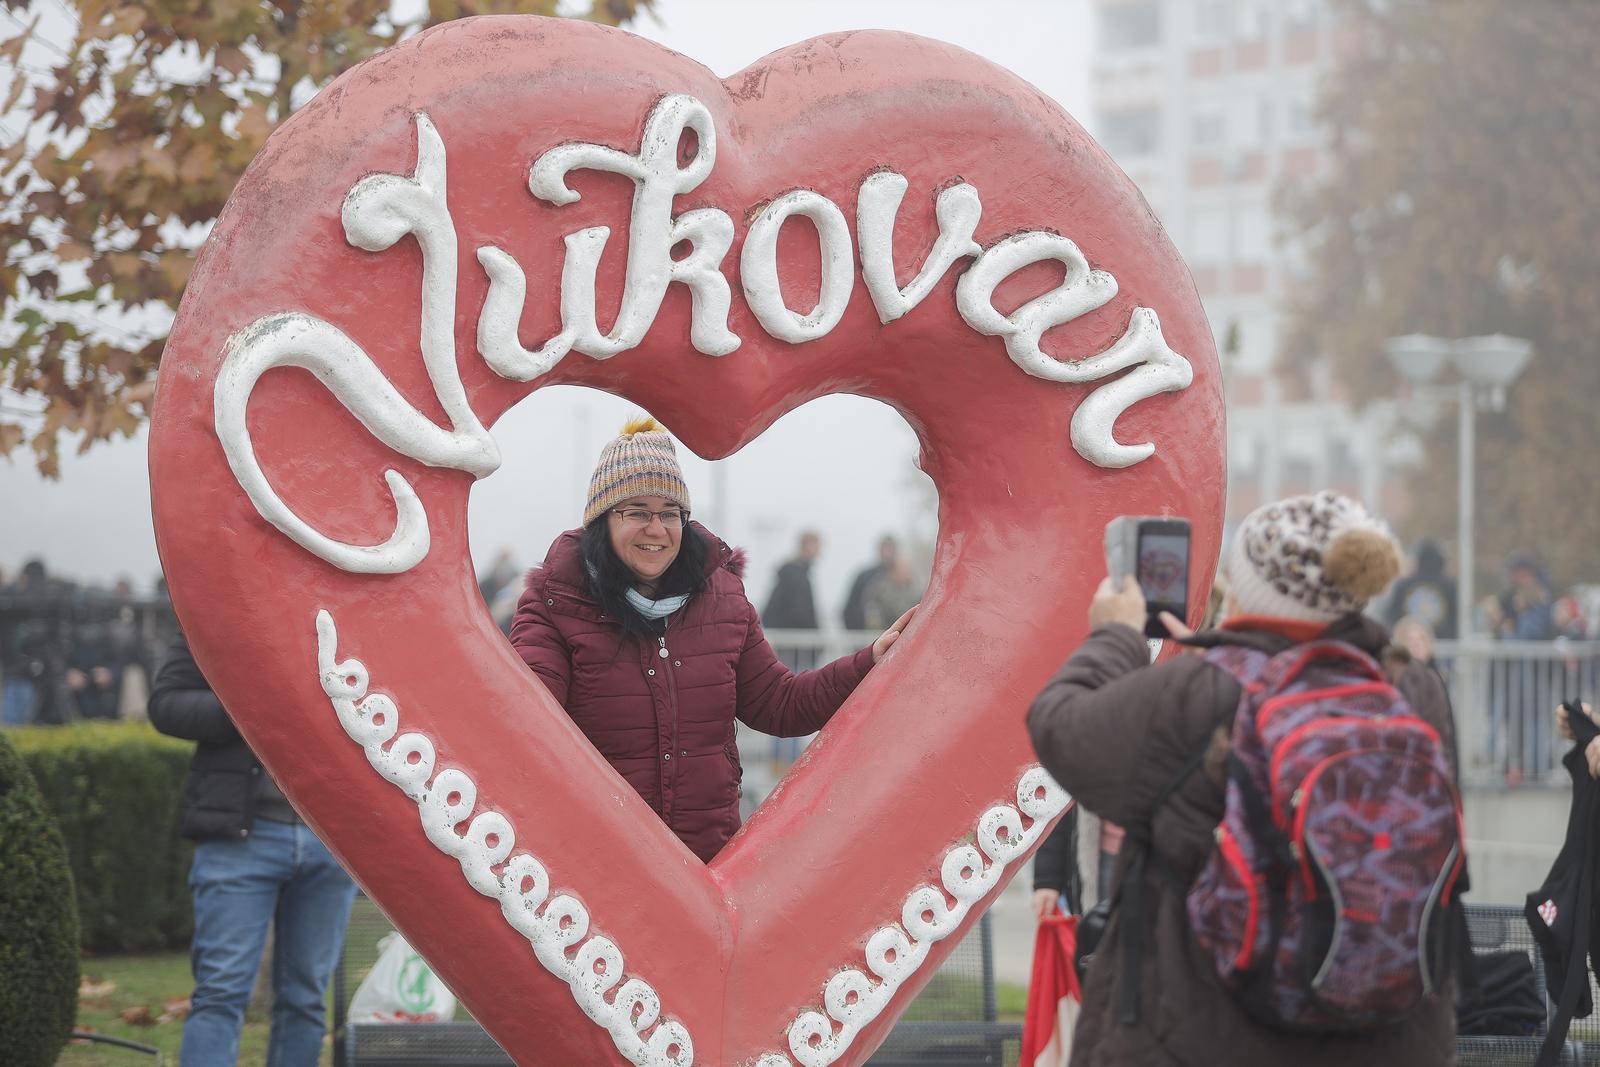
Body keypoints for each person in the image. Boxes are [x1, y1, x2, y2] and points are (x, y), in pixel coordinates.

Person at [1027, 491, 1462, 1066]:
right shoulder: (1411, 692)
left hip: (1208, 1030)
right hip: (1391, 1032)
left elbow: (1060, 728)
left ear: (1252, 590)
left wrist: (1116, 635)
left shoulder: (1199, 692)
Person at [510, 418, 914, 863]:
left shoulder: (722, 598)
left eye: (669, 512)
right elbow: (527, 713)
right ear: (602, 521)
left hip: (710, 866)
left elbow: (779, 703)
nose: (656, 528)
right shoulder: (556, 603)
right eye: (637, 511)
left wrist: (869, 661)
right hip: (601, 871)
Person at [149, 629, 357, 1067]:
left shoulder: (354, 618)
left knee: (306, 997)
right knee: (220, 992)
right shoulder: (216, 612)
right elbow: (166, 707)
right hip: (240, 838)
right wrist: (247, 703)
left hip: (331, 840)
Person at [762, 530, 823, 671]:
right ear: (808, 545)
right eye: (817, 546)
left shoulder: (793, 572)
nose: (819, 551)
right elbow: (801, 612)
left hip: (792, 645)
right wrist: (815, 637)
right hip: (797, 646)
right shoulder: (796, 574)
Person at [1385, 539, 1457, 640]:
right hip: (1445, 647)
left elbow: (1391, 617)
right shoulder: (1450, 587)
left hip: (1408, 645)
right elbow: (1457, 619)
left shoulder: (1404, 585)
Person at [843, 535, 899, 632]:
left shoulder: (903, 579)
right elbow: (849, 610)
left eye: (890, 549)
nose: (887, 553)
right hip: (865, 635)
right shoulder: (864, 577)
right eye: (885, 549)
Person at [863, 553, 923, 631]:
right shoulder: (881, 591)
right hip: (886, 634)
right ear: (894, 570)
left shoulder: (915, 590)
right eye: (904, 568)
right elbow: (873, 616)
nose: (908, 571)